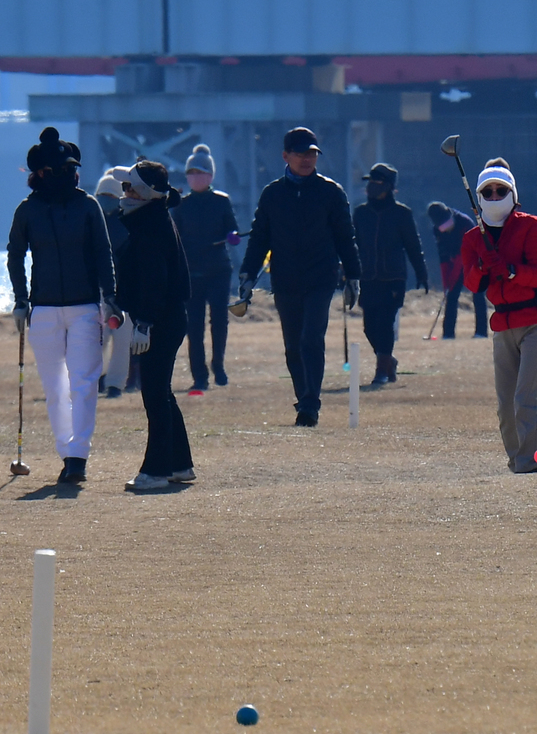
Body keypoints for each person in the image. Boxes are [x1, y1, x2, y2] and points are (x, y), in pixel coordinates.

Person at [7, 127, 117, 485]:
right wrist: (21, 300)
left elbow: (103, 254)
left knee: (83, 383)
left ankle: (77, 456)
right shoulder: (27, 211)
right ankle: (65, 449)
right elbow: (15, 255)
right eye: (64, 169)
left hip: (85, 306)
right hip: (44, 308)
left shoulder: (88, 206)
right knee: (55, 387)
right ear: (41, 174)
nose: (72, 174)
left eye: (74, 168)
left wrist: (109, 298)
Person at [239, 127, 361, 427]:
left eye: (312, 153)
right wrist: (247, 274)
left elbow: (346, 237)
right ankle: (303, 396)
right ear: (285, 156)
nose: (307, 159)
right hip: (285, 280)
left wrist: (354, 276)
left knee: (310, 339)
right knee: (293, 345)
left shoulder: (331, 192)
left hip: (321, 278)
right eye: (300, 153)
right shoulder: (272, 194)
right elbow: (259, 238)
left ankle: (310, 404)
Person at [461, 159, 537, 474]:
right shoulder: (472, 238)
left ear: (512, 194)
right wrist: (482, 265)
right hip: (504, 323)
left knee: (525, 399)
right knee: (506, 407)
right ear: (479, 196)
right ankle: (516, 460)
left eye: (500, 190)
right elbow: (472, 284)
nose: (494, 196)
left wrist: (509, 269)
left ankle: (528, 463)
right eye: (488, 191)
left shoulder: (532, 226)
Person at [113, 161, 195, 491]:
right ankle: (180, 464)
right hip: (164, 318)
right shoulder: (148, 219)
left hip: (161, 320)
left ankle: (157, 470)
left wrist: (144, 323)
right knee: (161, 392)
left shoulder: (150, 225)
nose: (125, 193)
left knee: (155, 395)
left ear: (146, 194)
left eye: (130, 188)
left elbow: (155, 280)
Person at [354, 163, 428, 385]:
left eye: (376, 183)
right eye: (370, 184)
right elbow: (351, 244)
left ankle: (381, 371)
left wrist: (421, 273)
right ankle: (389, 361)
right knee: (369, 327)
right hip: (367, 276)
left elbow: (413, 245)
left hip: (393, 278)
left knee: (385, 324)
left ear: (388, 186)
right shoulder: (360, 213)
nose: (371, 188)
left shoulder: (401, 214)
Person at [173, 144, 239, 393]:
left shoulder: (222, 201)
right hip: (191, 274)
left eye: (199, 172)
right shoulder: (181, 204)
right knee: (194, 327)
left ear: (210, 176)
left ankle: (218, 366)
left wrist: (232, 236)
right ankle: (199, 376)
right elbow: (175, 237)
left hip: (219, 270)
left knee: (219, 321)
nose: (194, 177)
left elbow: (231, 228)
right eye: (190, 173)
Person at [94, 168, 136, 398]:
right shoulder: (126, 223)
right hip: (108, 290)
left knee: (117, 341)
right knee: (105, 341)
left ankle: (113, 383)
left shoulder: (123, 223)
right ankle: (110, 383)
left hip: (119, 290)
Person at [428, 201, 489, 340]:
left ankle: (481, 332)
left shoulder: (465, 223)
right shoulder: (437, 230)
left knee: (478, 295)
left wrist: (453, 277)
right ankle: (448, 334)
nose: (446, 229)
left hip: (476, 261)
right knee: (451, 296)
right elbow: (443, 257)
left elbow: (464, 255)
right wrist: (446, 283)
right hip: (455, 259)